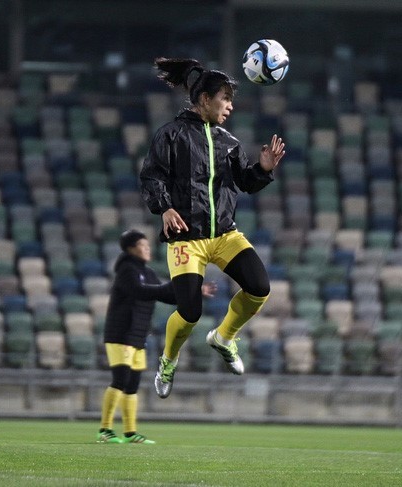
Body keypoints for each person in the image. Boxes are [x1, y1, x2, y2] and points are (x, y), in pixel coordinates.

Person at [140, 57, 285, 398]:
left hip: (224, 235)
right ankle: (168, 361)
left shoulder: (229, 142)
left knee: (260, 288)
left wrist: (263, 169)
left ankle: (223, 338)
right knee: (190, 311)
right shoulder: (170, 135)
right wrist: (164, 208)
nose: (230, 106)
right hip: (186, 238)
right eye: (225, 99)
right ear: (204, 99)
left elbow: (245, 183)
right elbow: (151, 176)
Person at [96, 229, 216, 444]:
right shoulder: (126, 271)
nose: (147, 248)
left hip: (138, 336)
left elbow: (164, 293)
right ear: (131, 248)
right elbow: (140, 291)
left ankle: (130, 433)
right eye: (143, 245)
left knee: (132, 384)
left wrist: (192, 292)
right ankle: (105, 430)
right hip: (120, 334)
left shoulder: (148, 273)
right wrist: (171, 287)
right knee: (120, 380)